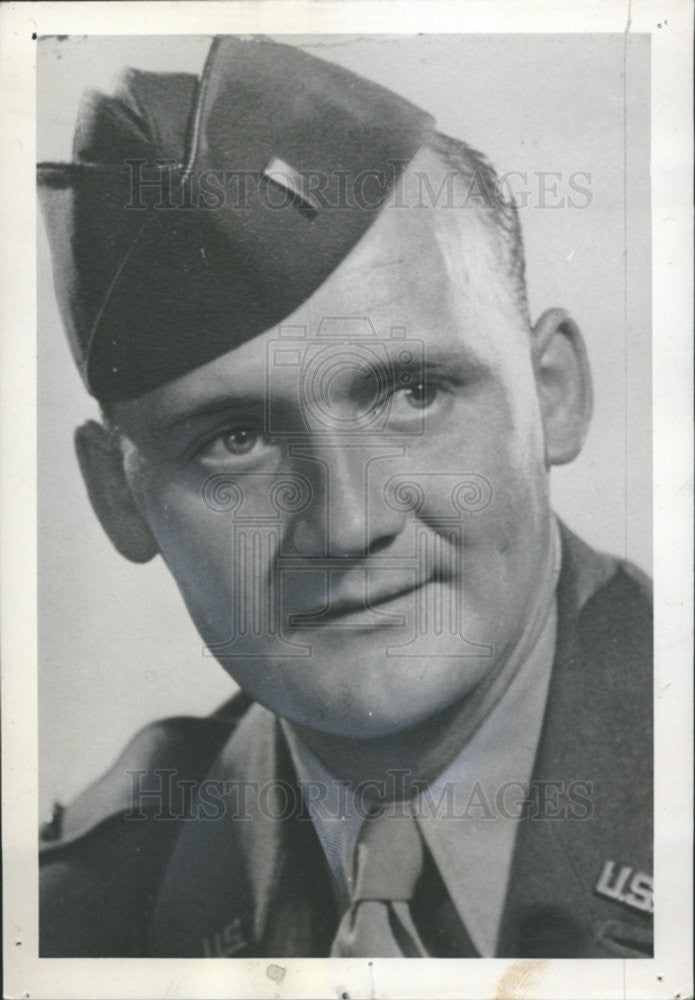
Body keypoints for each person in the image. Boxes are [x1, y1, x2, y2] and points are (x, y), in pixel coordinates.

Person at [37, 34, 652, 959]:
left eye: (412, 394)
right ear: (119, 498)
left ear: (553, 394)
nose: (347, 521)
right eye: (234, 440)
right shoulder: (86, 912)